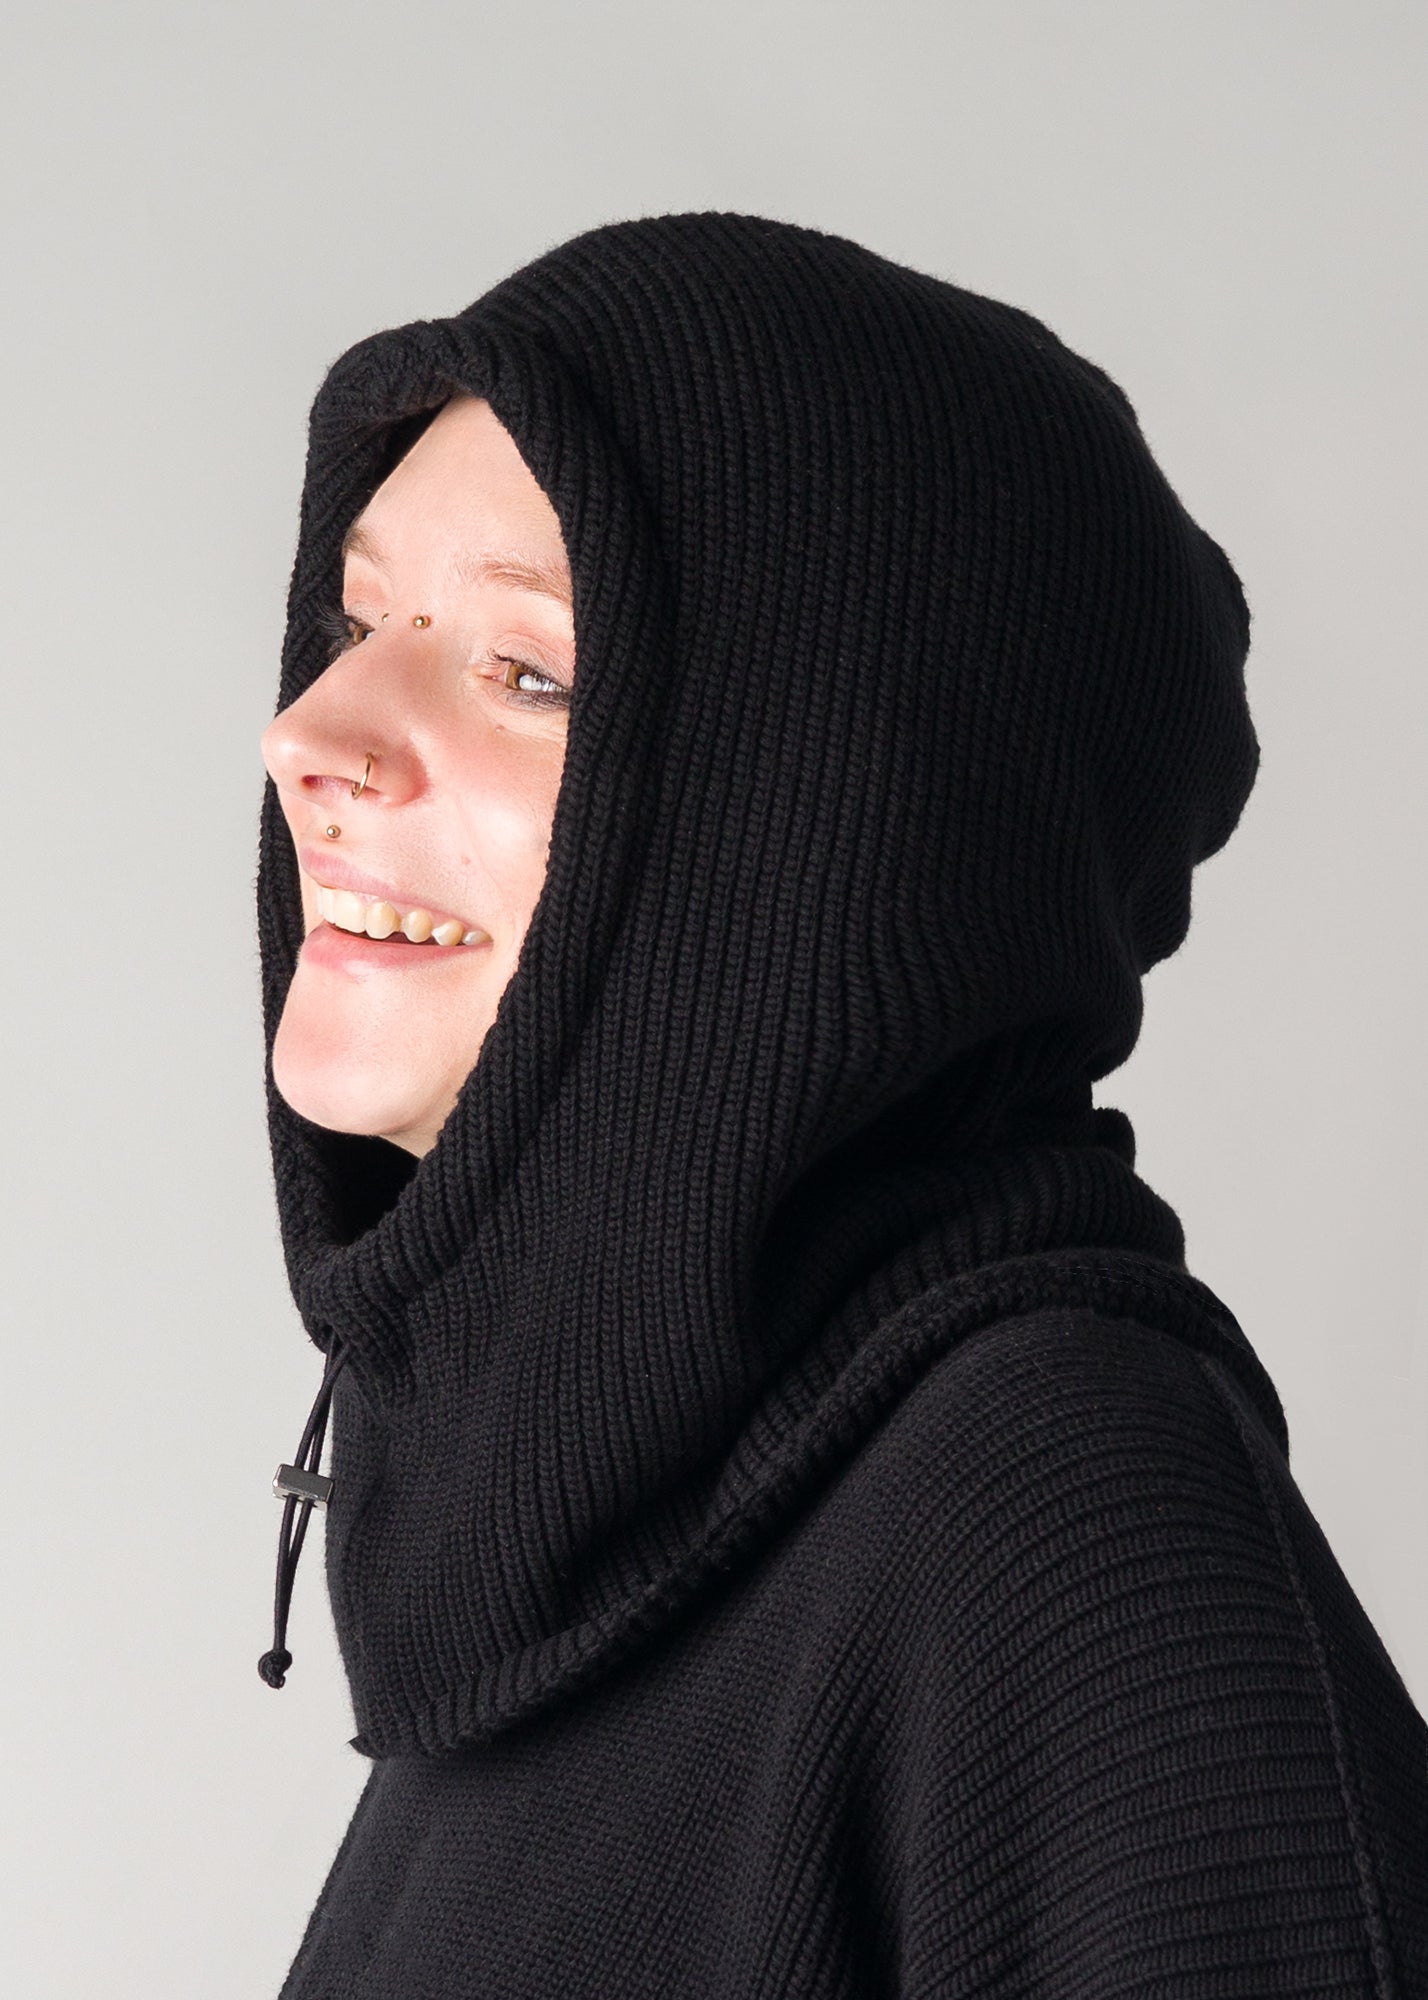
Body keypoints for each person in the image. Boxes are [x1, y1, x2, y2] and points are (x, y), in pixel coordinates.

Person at [255, 212, 1428, 1998]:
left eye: (529, 670)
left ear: (826, 832)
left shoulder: (1063, 1525)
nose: (311, 733)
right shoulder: (556, 1544)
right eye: (359, 620)